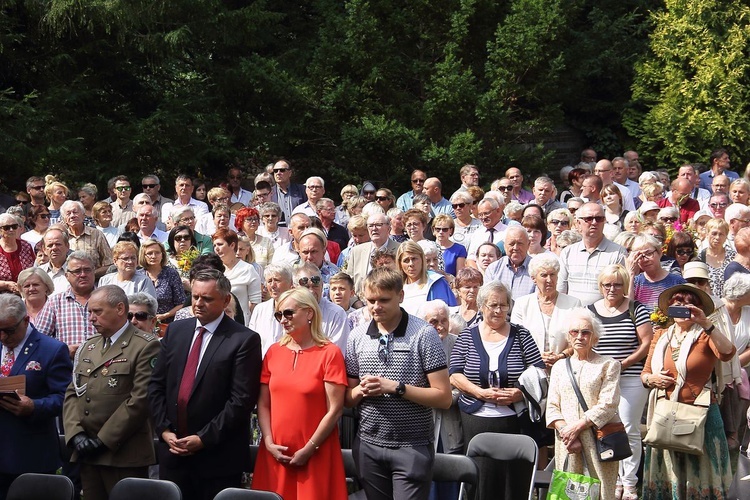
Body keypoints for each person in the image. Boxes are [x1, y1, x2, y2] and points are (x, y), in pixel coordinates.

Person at [148, 269, 262, 500]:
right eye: (195, 297)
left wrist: (203, 439)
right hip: (173, 452)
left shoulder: (243, 340)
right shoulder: (177, 331)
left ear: (226, 299)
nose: (198, 303)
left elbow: (241, 401)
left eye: (207, 298)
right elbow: (156, 385)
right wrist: (164, 430)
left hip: (216, 457)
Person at [345, 267, 452, 500]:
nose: (376, 307)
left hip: (412, 445)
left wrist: (396, 387)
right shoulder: (357, 336)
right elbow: (347, 398)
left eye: (384, 300)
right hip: (368, 444)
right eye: (370, 300)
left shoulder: (424, 334)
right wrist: (360, 391)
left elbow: (444, 397)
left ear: (400, 296)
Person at [62, 286, 160, 500]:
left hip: (123, 453)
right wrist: (76, 434)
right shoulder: (89, 347)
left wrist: (102, 440)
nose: (91, 318)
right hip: (87, 451)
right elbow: (72, 393)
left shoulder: (145, 346)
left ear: (119, 309)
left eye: (98, 312)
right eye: (89, 312)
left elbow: (140, 400)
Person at [449, 281, 544, 499]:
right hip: (477, 420)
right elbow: (454, 374)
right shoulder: (467, 336)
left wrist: (519, 392)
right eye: (493, 305)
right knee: (481, 481)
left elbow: (539, 371)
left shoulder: (521, 335)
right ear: (482, 306)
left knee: (513, 483)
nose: (499, 310)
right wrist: (479, 393)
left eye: (503, 305)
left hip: (514, 421)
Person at [252, 288, 348, 499]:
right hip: (275, 453)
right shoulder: (273, 352)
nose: (283, 320)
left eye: (288, 313)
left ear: (309, 313)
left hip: (316, 453)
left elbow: (335, 409)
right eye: (279, 315)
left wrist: (309, 448)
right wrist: (268, 441)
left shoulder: (329, 353)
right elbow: (264, 403)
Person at [641, 284, 735, 499]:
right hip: (667, 416)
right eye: (677, 301)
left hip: (700, 415)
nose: (682, 305)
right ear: (669, 308)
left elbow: (728, 353)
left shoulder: (705, 335)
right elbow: (645, 373)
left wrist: (705, 323)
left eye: (689, 302)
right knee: (669, 473)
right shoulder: (661, 336)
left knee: (701, 476)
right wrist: (652, 379)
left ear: (698, 308)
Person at [587, 265, 653, 499]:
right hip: (600, 380)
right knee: (603, 428)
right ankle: (612, 479)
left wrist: (621, 365)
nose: (612, 289)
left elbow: (646, 344)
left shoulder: (637, 308)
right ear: (600, 286)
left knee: (628, 428)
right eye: (607, 284)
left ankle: (630, 482)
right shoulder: (590, 310)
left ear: (625, 285)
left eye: (617, 284)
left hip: (630, 377)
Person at [0, 293, 72, 499]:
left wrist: (35, 406)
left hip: (30, 454)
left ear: (25, 321)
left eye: (9, 331)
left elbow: (64, 398)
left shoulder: (52, 349)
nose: (3, 337)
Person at [546, 308, 622, 500]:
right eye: (574, 332)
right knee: (569, 492)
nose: (580, 336)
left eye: (585, 332)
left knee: (601, 491)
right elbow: (552, 406)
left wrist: (577, 428)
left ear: (594, 337)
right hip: (567, 443)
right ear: (568, 336)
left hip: (598, 440)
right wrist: (567, 433)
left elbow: (608, 403)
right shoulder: (558, 367)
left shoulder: (609, 364)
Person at [510, 253, 582, 364]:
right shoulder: (522, 304)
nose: (549, 280)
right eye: (544, 275)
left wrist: (561, 356)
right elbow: (516, 340)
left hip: (565, 366)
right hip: (530, 367)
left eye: (552, 274)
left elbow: (579, 339)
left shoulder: (573, 303)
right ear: (534, 278)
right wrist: (537, 357)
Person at [558, 202, 628, 305]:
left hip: (604, 317)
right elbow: (561, 290)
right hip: (573, 315)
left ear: (604, 221)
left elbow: (620, 292)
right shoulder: (567, 253)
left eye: (599, 219)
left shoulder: (618, 253)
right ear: (578, 223)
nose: (594, 222)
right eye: (589, 219)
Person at [35, 251, 98, 359]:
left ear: (94, 272)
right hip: (66, 367)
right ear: (67, 276)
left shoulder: (107, 300)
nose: (83, 274)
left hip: (102, 366)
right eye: (77, 271)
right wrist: (63, 351)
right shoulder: (55, 302)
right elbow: (38, 340)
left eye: (87, 270)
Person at [212, 228, 262, 325]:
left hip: (241, 324)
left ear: (232, 245)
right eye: (214, 245)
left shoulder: (248, 269)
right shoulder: (213, 270)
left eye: (220, 244)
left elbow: (255, 303)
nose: (216, 248)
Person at [397, 240, 456, 316]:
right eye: (406, 260)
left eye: (414, 259)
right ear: (400, 263)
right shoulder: (397, 287)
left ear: (422, 260)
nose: (411, 264)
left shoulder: (436, 282)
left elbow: (451, 313)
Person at [629, 234, 686, 313]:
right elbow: (628, 308)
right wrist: (631, 274)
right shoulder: (635, 282)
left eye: (649, 254)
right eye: (640, 256)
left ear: (659, 252)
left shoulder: (677, 282)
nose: (645, 259)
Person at [346, 212, 400, 293]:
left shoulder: (400, 250)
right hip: (360, 303)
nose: (374, 228)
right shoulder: (356, 251)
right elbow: (348, 283)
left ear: (388, 228)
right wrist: (355, 302)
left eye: (378, 225)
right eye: (370, 226)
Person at [61, 201, 114, 279]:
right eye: (68, 213)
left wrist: (90, 275)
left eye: (75, 212)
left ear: (83, 215)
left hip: (94, 283)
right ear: (64, 219)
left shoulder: (96, 234)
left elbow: (110, 264)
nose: (72, 216)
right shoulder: (61, 237)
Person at [249, 264, 293, 356]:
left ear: (290, 283)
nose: (273, 285)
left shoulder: (298, 310)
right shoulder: (259, 310)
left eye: (277, 280)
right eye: (269, 281)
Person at [140, 239, 186, 324]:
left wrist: (164, 315)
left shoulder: (171, 274)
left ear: (162, 255)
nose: (153, 256)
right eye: (149, 253)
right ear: (143, 256)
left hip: (167, 323)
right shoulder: (139, 276)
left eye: (157, 253)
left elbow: (181, 303)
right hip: (143, 323)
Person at [484, 225, 535, 298]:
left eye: (520, 243)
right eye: (511, 244)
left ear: (528, 244)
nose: (516, 248)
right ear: (504, 245)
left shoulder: (536, 269)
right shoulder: (493, 269)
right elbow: (488, 299)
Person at [698, 218, 736, 297]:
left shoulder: (733, 257)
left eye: (721, 234)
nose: (717, 237)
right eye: (714, 233)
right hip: (708, 304)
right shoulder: (700, 258)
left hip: (729, 304)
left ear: (726, 236)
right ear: (707, 234)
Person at [0, 213, 34, 292]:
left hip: (26, 293)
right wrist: (6, 285)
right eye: (7, 228)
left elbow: (34, 269)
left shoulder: (26, 246)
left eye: (14, 226)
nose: (11, 230)